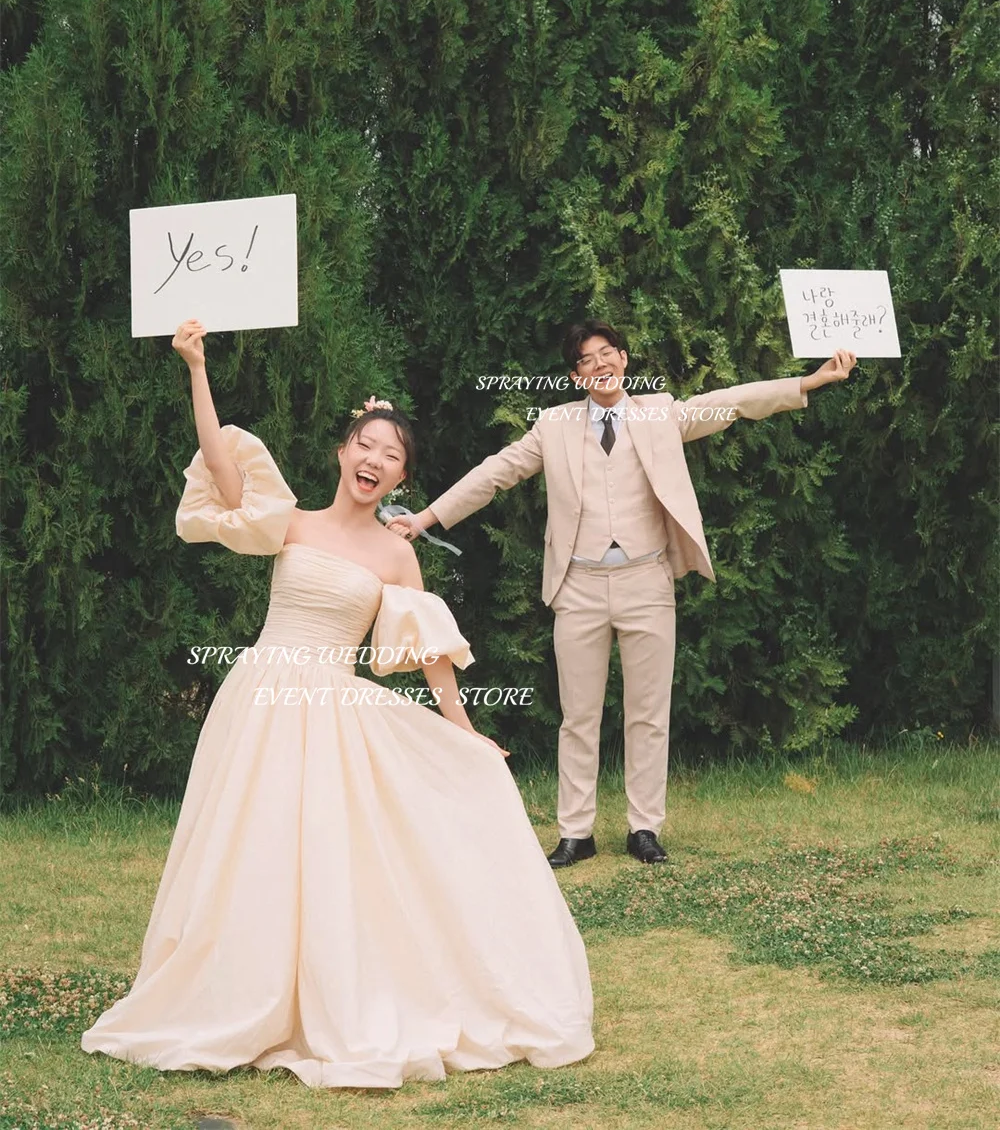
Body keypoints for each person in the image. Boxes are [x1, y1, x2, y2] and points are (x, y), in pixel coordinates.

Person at [81, 319, 594, 1089]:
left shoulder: (397, 552)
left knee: (323, 850)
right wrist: (196, 367)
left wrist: (466, 733)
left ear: (399, 480)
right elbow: (222, 466)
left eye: (393, 457)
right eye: (368, 446)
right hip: (260, 699)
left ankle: (331, 994)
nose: (377, 460)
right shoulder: (288, 522)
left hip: (330, 706)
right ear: (342, 453)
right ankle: (240, 992)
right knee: (247, 848)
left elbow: (427, 647)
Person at [388, 320, 858, 868]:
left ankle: (644, 827)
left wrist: (809, 382)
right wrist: (425, 518)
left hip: (647, 579)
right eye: (587, 360)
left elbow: (729, 403)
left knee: (648, 712)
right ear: (575, 375)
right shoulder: (554, 426)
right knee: (578, 714)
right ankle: (575, 832)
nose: (600, 365)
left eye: (607, 353)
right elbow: (496, 473)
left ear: (625, 360)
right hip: (579, 584)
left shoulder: (659, 414)